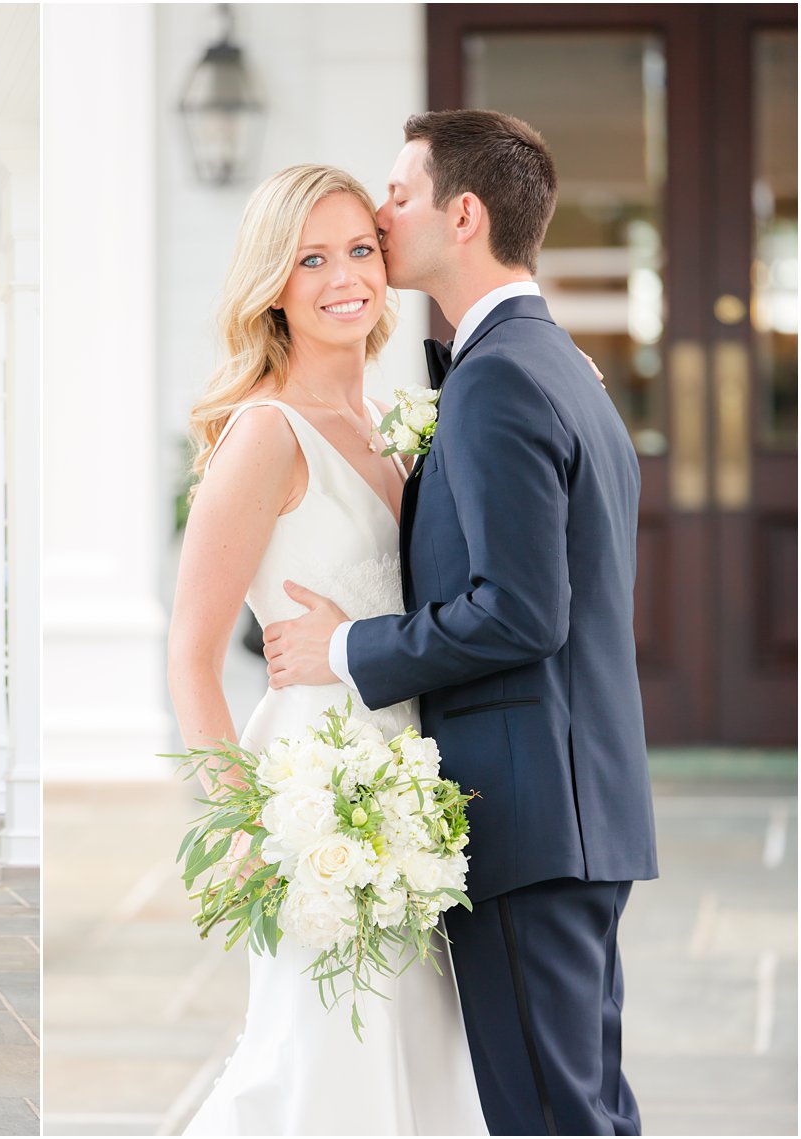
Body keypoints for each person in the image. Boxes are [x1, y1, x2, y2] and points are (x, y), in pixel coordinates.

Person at [261, 111, 658, 1135]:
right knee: (585, 1106)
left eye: (397, 195)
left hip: (530, 820)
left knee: (547, 1115)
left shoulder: (494, 379)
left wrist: (347, 646)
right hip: (577, 808)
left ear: (463, 212)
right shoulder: (554, 362)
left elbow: (519, 612)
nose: (382, 214)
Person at [169, 163, 488, 1135]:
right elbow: (187, 650)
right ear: (273, 281)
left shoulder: (400, 426)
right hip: (316, 789)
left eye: (358, 249)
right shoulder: (264, 434)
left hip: (412, 773)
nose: (341, 275)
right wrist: (235, 828)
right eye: (311, 257)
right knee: (319, 1053)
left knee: (412, 1044)